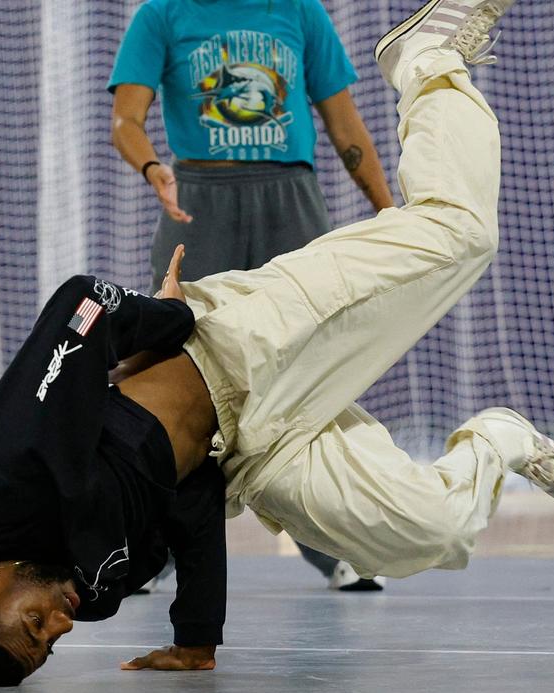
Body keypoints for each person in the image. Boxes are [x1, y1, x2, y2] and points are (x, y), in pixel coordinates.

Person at [0, 0, 554, 687]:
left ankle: (427, 61)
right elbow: (192, 504)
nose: (62, 628)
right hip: (253, 454)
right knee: (427, 536)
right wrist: (196, 637)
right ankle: (504, 439)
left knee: (461, 236)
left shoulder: (0, 491)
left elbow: (78, 311)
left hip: (239, 345)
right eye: (48, 649)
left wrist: (167, 319)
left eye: (35, 628)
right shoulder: (97, 589)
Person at [108, 0, 395, 591]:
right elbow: (125, 120)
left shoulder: (300, 12)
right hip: (198, 198)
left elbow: (344, 124)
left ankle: (327, 543)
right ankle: (148, 549)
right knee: (169, 372)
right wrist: (153, 168)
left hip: (289, 197)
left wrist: (388, 211)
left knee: (308, 377)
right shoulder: (162, 15)